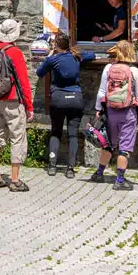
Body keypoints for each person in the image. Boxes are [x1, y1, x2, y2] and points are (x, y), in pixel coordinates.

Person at [0, 18, 32, 193]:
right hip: (13, 101)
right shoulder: (15, 52)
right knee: (17, 138)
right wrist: (29, 106)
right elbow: (23, 82)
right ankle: (15, 180)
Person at [91, 40, 138, 189]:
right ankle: (120, 181)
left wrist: (98, 109)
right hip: (128, 113)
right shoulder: (135, 71)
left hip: (110, 112)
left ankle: (99, 173)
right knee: (125, 147)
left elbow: (101, 92)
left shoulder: (108, 68)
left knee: (109, 144)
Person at [37, 32, 94, 178]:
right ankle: (70, 168)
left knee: (56, 131)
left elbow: (39, 72)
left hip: (58, 98)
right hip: (76, 98)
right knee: (73, 134)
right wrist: (78, 52)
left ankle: (52, 165)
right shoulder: (76, 57)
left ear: (55, 45)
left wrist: (50, 55)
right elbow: (92, 55)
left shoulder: (53, 60)